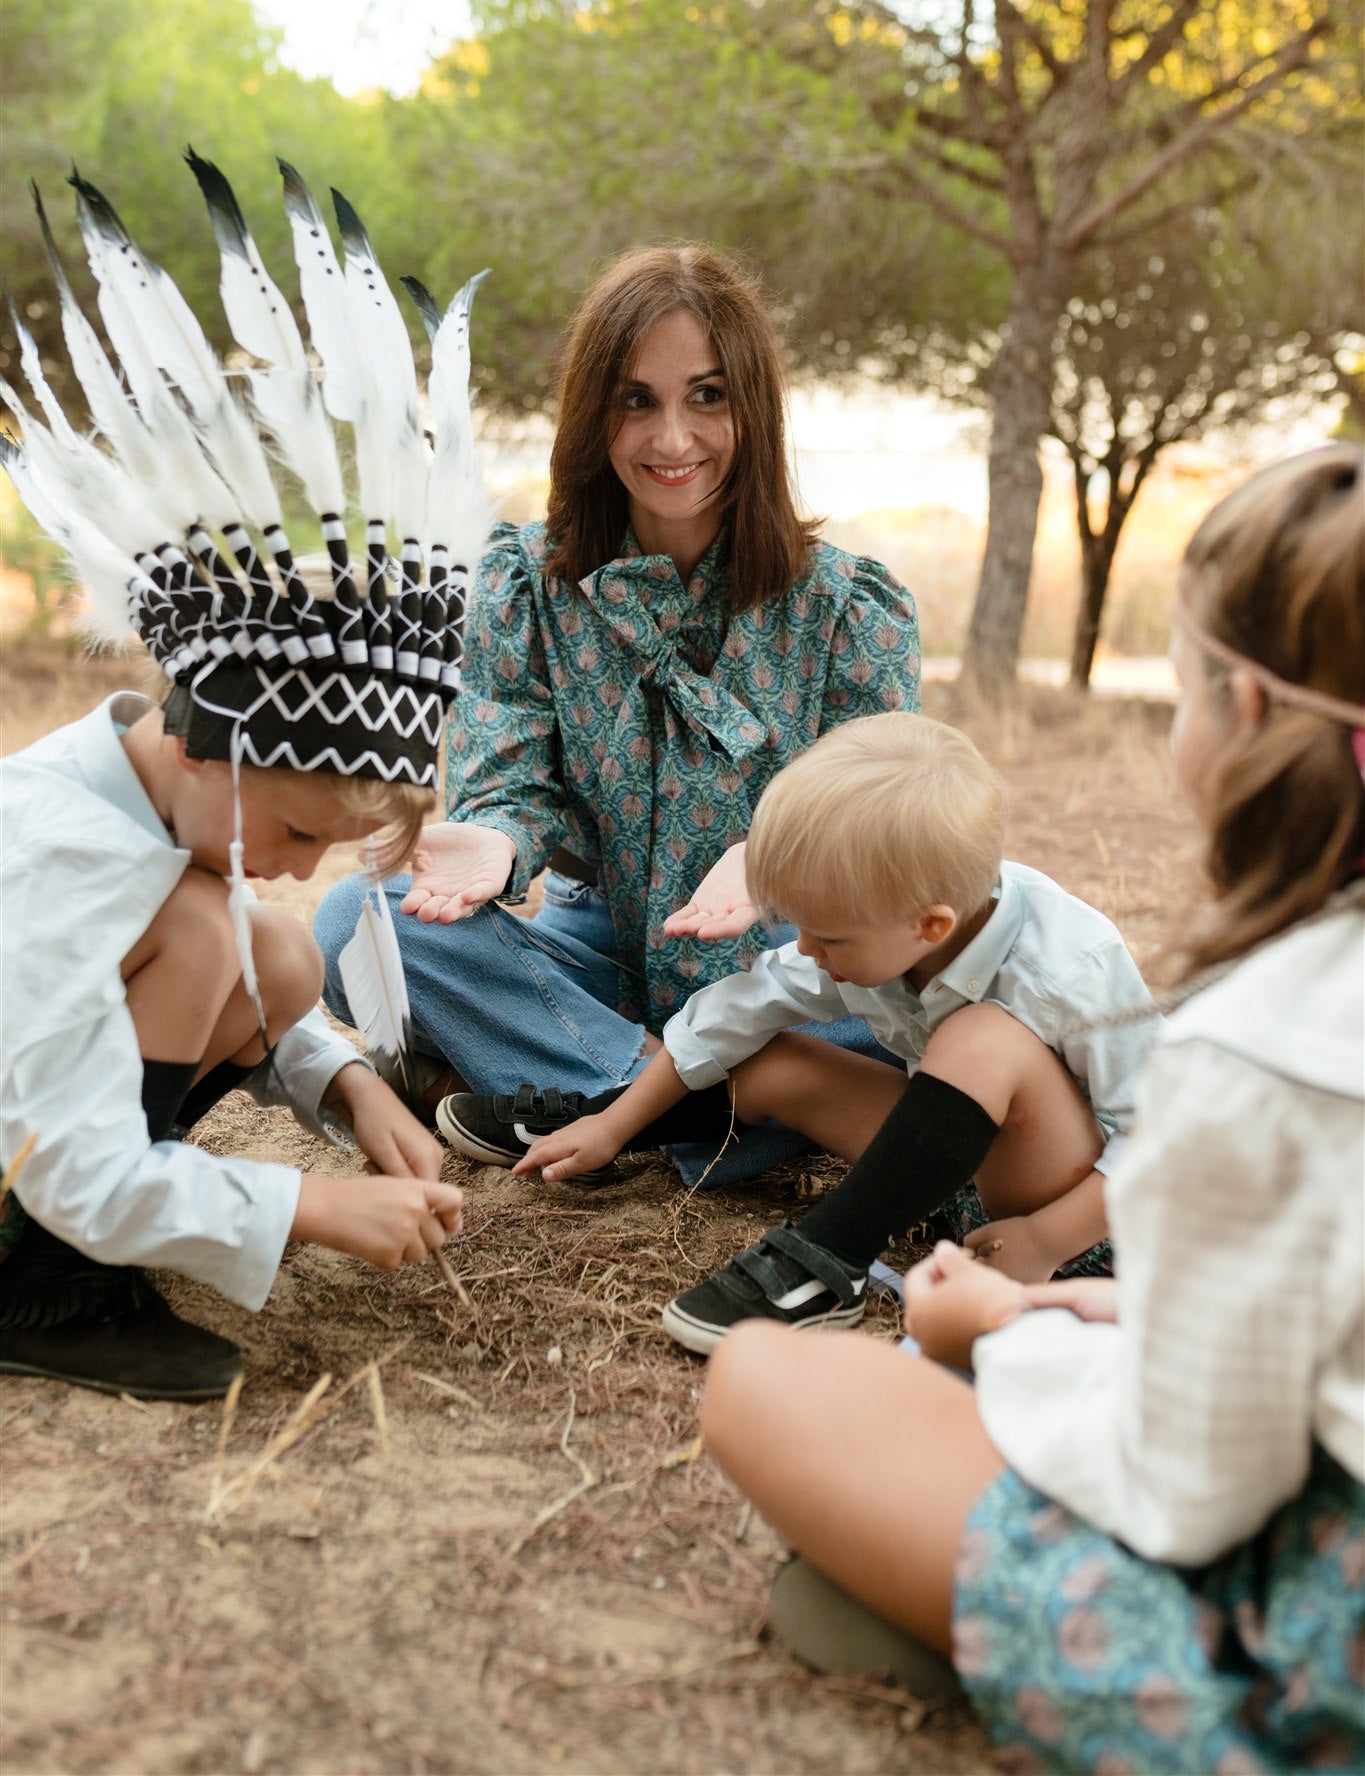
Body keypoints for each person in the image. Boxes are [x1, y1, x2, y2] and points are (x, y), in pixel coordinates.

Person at [700, 445, 1365, 1775]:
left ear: (1238, 707)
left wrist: (1002, 1333)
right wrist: (1108, 1309)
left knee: (767, 1381)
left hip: (1312, 1616)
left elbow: (1190, 1490)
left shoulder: (1264, 1049)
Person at [0, 155, 472, 1401]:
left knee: (280, 956)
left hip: (47, 1124)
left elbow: (267, 1000)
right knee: (215, 925)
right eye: (301, 825)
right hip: (33, 1160)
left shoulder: (152, 806)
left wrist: (355, 1089)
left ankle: (76, 1264)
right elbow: (58, 1147)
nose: (305, 863)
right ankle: (41, 1287)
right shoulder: (52, 844)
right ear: (219, 739)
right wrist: (308, 1205)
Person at [314, 246, 921, 1184]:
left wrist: (772, 862)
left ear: (752, 407)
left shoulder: (849, 607)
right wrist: (501, 842)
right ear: (593, 412)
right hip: (590, 947)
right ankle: (703, 1100)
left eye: (707, 396)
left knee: (928, 1022)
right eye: (636, 399)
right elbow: (508, 776)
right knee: (358, 921)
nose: (671, 438)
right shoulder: (522, 581)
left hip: (782, 963)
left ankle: (583, 1094)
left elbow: (883, 820)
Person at [498, 712, 1157, 1352]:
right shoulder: (879, 927)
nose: (805, 949)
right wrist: (613, 1127)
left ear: (929, 926)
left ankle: (831, 1257)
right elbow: (738, 1010)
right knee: (772, 1060)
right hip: (943, 1179)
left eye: (826, 935)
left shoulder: (1071, 964)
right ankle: (595, 1124)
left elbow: (1164, 1142)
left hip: (1078, 1224)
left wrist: (1043, 1238)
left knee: (983, 1036)